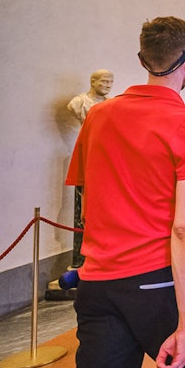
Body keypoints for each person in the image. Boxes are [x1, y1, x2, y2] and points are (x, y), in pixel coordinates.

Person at [65, 16, 185, 368]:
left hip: (98, 281)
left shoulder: (98, 117)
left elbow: (88, 200)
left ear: (142, 59)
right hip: (160, 279)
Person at [66, 68, 115, 269]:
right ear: (93, 82)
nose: (108, 86)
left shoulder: (111, 105)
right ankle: (80, 261)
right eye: (104, 82)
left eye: (110, 82)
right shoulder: (79, 103)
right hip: (85, 151)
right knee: (82, 204)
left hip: (101, 157)